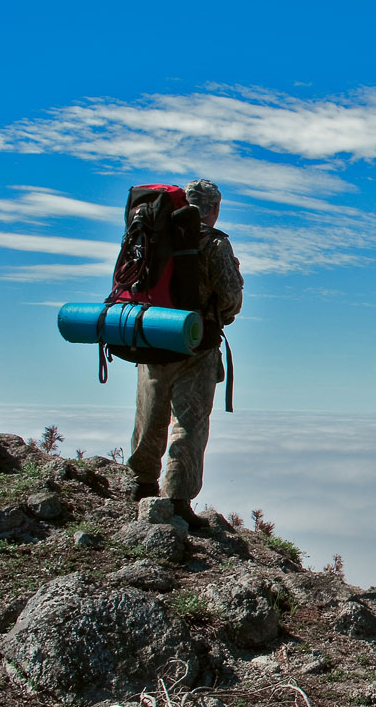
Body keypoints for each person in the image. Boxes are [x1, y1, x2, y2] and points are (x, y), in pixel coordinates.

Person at [127, 179, 243, 530]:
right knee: (189, 424)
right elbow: (230, 299)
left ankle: (141, 484)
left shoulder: (148, 233)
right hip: (196, 343)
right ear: (213, 208)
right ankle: (177, 500)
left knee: (149, 412)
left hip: (152, 335)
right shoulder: (214, 242)